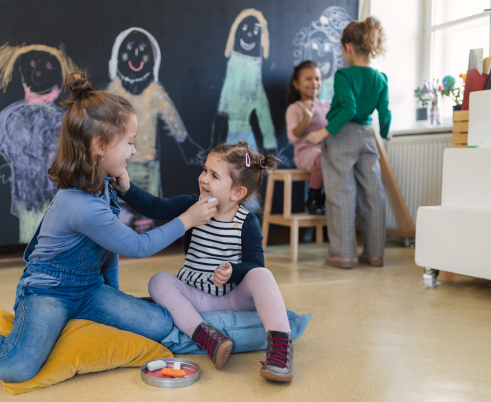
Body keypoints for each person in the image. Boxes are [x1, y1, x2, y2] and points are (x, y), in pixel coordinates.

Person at [0, 72, 218, 383]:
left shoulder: (102, 185)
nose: (134, 152)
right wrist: (187, 220)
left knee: (159, 325)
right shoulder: (81, 206)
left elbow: (105, 250)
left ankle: (82, 317)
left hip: (89, 289)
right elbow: (137, 246)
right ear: (99, 146)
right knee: (17, 367)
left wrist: (115, 296)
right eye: (130, 143)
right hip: (48, 292)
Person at [115, 142, 294, 383]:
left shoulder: (246, 222)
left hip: (231, 297)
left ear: (236, 193)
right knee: (159, 281)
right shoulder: (193, 204)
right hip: (196, 296)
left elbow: (254, 264)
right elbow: (155, 206)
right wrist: (126, 189)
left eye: (214, 175)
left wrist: (233, 272)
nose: (204, 179)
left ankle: (280, 349)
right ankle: (208, 338)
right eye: (204, 170)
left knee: (262, 275)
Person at [306, 16, 391, 269]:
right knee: (373, 193)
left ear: (348, 48)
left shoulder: (344, 75)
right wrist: (385, 133)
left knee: (341, 193)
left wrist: (323, 133)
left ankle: (342, 254)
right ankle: (375, 253)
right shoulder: (381, 77)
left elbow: (348, 108)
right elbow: (384, 113)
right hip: (367, 135)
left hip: (341, 135)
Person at [286, 60, 330, 215]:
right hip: (306, 152)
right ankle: (314, 197)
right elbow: (293, 137)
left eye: (317, 78)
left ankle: (331, 198)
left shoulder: (328, 105)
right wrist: (306, 118)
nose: (314, 83)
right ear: (296, 84)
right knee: (322, 157)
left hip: (328, 150)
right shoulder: (295, 108)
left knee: (333, 157)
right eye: (308, 79)